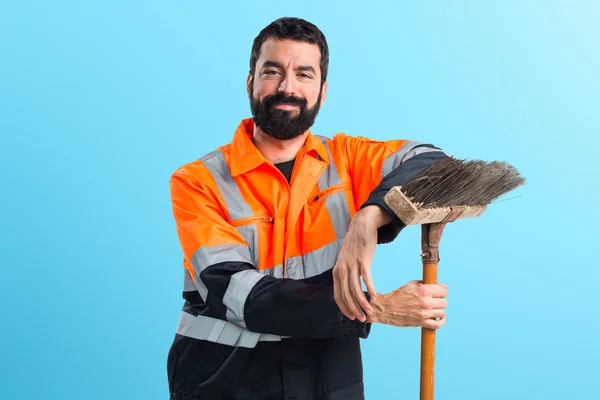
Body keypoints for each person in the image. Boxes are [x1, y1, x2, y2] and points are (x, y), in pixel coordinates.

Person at [167, 17, 450, 400]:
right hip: (225, 381)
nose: (288, 87)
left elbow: (435, 163)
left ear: (323, 89)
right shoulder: (199, 181)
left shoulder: (346, 161)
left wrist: (371, 216)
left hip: (326, 381)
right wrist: (376, 308)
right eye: (273, 71)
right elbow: (240, 295)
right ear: (250, 80)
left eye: (304, 74)